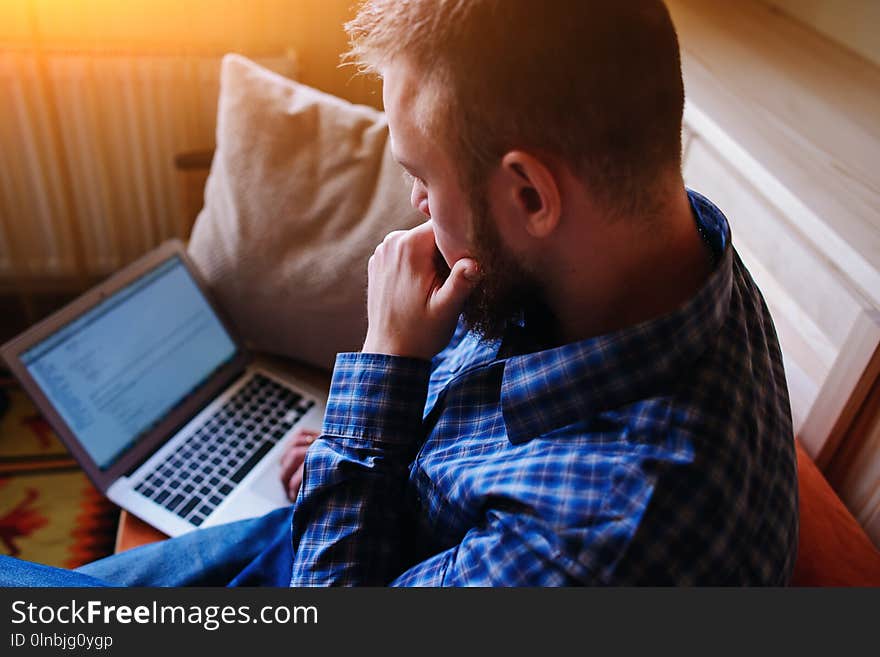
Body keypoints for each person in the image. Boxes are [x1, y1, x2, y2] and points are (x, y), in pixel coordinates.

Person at [1, 0, 797, 586]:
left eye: (419, 176)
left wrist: (383, 366)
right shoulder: (670, 247)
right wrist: (377, 451)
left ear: (529, 197)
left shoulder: (595, 540)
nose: (415, 206)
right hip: (372, 519)